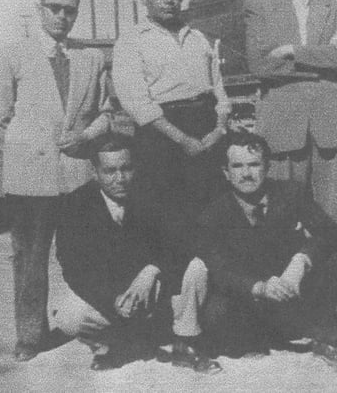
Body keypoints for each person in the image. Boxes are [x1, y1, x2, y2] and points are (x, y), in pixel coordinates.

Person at [0, 0, 111, 361]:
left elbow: (106, 112)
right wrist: (28, 148)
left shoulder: (91, 58)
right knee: (30, 258)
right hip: (29, 178)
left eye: (69, 10)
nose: (61, 16)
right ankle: (30, 336)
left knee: (88, 252)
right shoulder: (12, 55)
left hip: (77, 174)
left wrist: (85, 136)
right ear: (39, 10)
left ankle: (98, 326)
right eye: (54, 8)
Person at [53, 134, 219, 372]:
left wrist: (152, 270)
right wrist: (112, 300)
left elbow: (185, 240)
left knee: (197, 267)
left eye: (126, 169)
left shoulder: (155, 193)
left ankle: (185, 342)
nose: (120, 179)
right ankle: (109, 345)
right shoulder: (75, 205)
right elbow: (74, 267)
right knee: (69, 317)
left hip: (154, 289)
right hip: (113, 296)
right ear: (94, 171)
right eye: (110, 171)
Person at [196, 132, 337, 369]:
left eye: (254, 164)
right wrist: (259, 287)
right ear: (226, 173)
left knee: (330, 258)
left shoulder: (291, 193)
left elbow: (329, 232)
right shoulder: (214, 213)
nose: (247, 173)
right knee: (216, 314)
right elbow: (220, 269)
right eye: (237, 166)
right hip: (249, 296)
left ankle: (325, 339)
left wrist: (300, 262)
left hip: (291, 289)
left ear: (267, 167)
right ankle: (257, 339)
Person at [244, 0, 337, 228]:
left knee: (332, 223)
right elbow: (259, 65)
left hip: (332, 126)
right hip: (282, 125)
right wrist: (324, 59)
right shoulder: (259, 6)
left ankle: (330, 276)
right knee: (281, 220)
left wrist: (293, 51)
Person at [112, 0, 230, 216]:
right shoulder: (132, 40)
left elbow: (219, 91)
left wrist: (219, 130)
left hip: (206, 129)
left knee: (213, 210)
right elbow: (138, 104)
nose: (169, 0)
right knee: (169, 214)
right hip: (162, 136)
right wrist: (183, 140)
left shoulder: (199, 38)